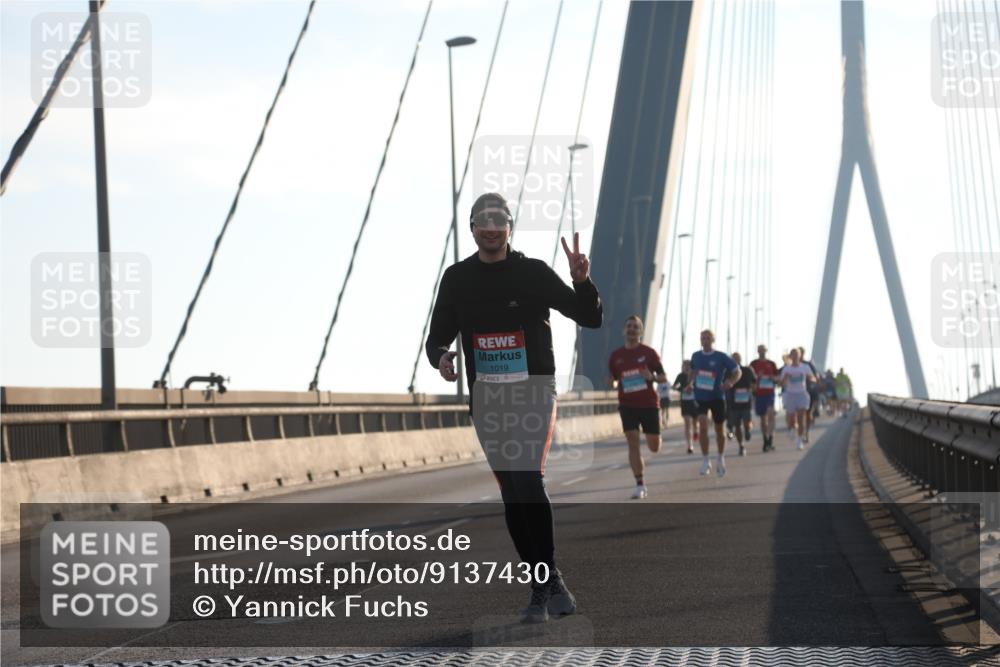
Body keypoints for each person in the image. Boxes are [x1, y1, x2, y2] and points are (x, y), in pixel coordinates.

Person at [426, 192, 602, 623]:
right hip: (487, 398)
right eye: (482, 219)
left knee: (527, 479)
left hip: (534, 392)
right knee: (512, 493)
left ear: (509, 227)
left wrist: (582, 281)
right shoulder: (457, 279)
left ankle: (548, 580)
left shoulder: (533, 273)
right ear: (472, 228)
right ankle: (542, 584)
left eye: (498, 219)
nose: (490, 226)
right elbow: (436, 339)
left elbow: (589, 316)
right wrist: (443, 358)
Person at [608, 315, 667, 499]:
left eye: (635, 327)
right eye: (629, 326)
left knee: (654, 446)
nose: (632, 329)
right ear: (624, 330)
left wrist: (652, 377)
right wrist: (612, 383)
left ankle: (655, 439)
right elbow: (614, 380)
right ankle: (640, 483)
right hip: (627, 405)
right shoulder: (616, 356)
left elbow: (663, 377)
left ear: (640, 331)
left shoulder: (649, 353)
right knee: (632, 441)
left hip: (648, 404)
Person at [686, 329, 741, 477]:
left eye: (708, 338)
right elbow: (692, 371)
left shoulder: (721, 357)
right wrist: (690, 383)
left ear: (713, 340)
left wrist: (730, 382)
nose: (705, 340)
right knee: (702, 425)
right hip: (701, 397)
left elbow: (737, 371)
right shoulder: (696, 356)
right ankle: (705, 460)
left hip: (717, 397)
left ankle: (720, 457)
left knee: (719, 430)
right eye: (702, 338)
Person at [780, 347, 816, 451]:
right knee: (791, 417)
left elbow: (814, 378)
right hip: (790, 394)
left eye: (797, 354)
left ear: (800, 356)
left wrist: (810, 378)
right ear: (790, 356)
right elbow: (782, 384)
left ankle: (800, 440)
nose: (795, 356)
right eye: (793, 354)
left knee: (801, 418)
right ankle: (791, 428)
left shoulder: (805, 367)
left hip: (801, 394)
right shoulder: (786, 369)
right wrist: (786, 378)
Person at [725, 352, 757, 456]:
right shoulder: (727, 372)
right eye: (733, 359)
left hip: (746, 401)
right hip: (733, 402)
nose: (735, 360)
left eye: (737, 358)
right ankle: (741, 446)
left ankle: (747, 430)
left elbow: (754, 382)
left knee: (747, 421)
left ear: (740, 359)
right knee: (737, 426)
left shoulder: (747, 370)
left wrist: (751, 389)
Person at [749, 344, 779, 452]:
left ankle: (770, 439)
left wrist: (773, 378)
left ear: (766, 351)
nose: (762, 352)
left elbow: (777, 379)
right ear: (757, 351)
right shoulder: (753, 364)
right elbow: (750, 379)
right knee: (763, 419)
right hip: (759, 393)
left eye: (763, 350)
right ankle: (765, 440)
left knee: (770, 414)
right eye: (760, 350)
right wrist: (757, 377)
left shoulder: (771, 364)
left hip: (769, 393)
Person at [673, 360, 698, 454]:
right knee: (687, 423)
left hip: (695, 402)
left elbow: (701, 385)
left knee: (695, 422)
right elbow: (674, 386)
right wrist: (682, 389)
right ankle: (690, 445)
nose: (686, 367)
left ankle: (696, 431)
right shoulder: (680, 376)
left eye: (688, 366)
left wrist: (693, 388)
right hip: (685, 402)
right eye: (684, 365)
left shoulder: (695, 375)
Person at [798, 346, 820, 443]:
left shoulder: (808, 364)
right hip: (796, 392)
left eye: (799, 353)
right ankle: (801, 432)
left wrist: (809, 378)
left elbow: (816, 377)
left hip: (808, 391)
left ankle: (806, 433)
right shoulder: (792, 365)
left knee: (807, 413)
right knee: (799, 414)